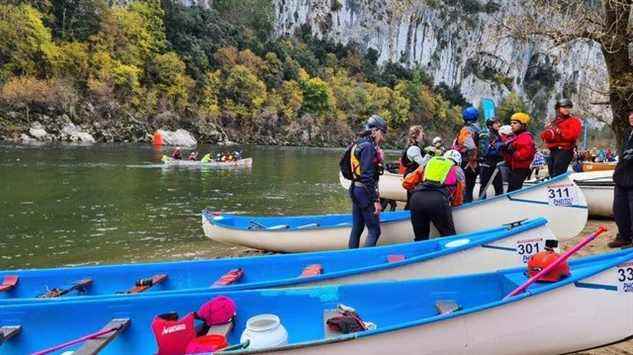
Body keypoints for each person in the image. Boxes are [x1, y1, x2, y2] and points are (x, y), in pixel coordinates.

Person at [347, 114, 388, 248]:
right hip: (364, 192)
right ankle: (366, 261)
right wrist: (375, 200)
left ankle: (352, 257)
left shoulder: (357, 143)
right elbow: (367, 176)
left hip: (355, 189)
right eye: (382, 133)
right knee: (374, 231)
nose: (383, 137)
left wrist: (379, 159)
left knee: (357, 228)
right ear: (375, 131)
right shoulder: (368, 147)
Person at [408, 149, 465, 241]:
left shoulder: (429, 163)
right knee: (449, 237)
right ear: (458, 162)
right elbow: (459, 194)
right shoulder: (456, 169)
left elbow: (407, 182)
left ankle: (424, 254)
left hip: (416, 199)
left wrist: (414, 191)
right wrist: (454, 205)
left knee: (420, 239)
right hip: (437, 200)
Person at [608, 112, 633, 248]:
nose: (631, 117)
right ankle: (624, 236)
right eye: (630, 115)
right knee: (619, 208)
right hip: (622, 176)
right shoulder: (627, 133)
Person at [540, 99, 583, 177]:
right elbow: (544, 136)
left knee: (558, 174)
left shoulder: (574, 121)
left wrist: (558, 132)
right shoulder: (553, 122)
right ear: (559, 108)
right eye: (564, 107)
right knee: (552, 173)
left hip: (565, 150)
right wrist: (547, 133)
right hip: (553, 151)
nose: (567, 109)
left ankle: (558, 187)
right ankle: (554, 187)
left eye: (569, 107)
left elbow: (572, 135)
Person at [501, 112, 536, 192]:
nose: (512, 125)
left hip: (521, 169)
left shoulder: (525, 137)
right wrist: (505, 151)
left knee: (513, 191)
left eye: (515, 123)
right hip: (515, 168)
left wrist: (512, 152)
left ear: (523, 125)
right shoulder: (517, 136)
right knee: (511, 190)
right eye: (511, 123)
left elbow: (525, 155)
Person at [452, 106, 481, 203]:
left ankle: (464, 206)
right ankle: (469, 203)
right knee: (470, 188)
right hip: (475, 162)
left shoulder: (466, 130)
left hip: (467, 163)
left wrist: (471, 161)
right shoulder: (478, 129)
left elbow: (471, 147)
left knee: (464, 188)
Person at [400, 125, 432, 209]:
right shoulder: (414, 148)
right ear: (417, 135)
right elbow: (422, 163)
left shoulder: (414, 147)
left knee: (413, 199)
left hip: (413, 176)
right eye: (422, 133)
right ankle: (407, 217)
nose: (423, 134)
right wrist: (430, 154)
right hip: (412, 177)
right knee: (412, 200)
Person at [479, 117, 504, 198]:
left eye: (499, 122)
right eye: (496, 123)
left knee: (499, 188)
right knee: (484, 187)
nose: (499, 124)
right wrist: (500, 146)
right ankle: (480, 205)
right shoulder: (485, 135)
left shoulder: (498, 134)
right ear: (490, 126)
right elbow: (485, 152)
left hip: (496, 165)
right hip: (487, 165)